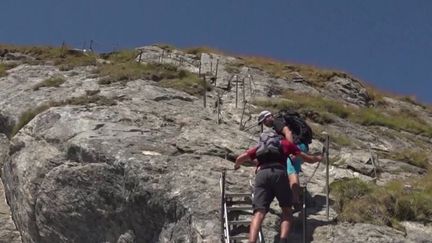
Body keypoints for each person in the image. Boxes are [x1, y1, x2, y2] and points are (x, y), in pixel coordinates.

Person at [234, 136, 321, 243]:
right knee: (287, 211)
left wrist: (236, 166)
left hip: (262, 174)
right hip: (279, 173)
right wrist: (318, 158)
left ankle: (251, 241)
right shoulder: (285, 143)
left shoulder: (259, 147)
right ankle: (283, 240)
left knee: (259, 212)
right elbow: (307, 158)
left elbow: (240, 158)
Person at [257, 110, 319, 208]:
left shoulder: (277, 122)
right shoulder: (280, 121)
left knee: (291, 171)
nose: (265, 124)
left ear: (269, 117)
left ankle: (295, 199)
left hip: (296, 145)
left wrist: (290, 150)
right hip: (301, 145)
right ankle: (293, 195)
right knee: (290, 170)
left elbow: (288, 132)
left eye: (265, 121)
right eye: (263, 122)